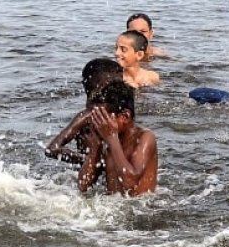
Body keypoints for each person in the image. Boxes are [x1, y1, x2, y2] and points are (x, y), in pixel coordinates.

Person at [44, 58, 123, 191]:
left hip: (98, 177)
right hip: (90, 175)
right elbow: (52, 149)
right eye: (118, 83)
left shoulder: (112, 113)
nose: (122, 88)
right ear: (101, 86)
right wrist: (88, 160)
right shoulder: (88, 115)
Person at [82, 80, 158, 196]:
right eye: (96, 118)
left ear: (125, 117)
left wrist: (112, 138)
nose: (98, 123)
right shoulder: (107, 142)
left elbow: (130, 183)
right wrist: (95, 148)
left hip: (141, 208)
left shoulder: (145, 138)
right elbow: (83, 186)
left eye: (103, 118)